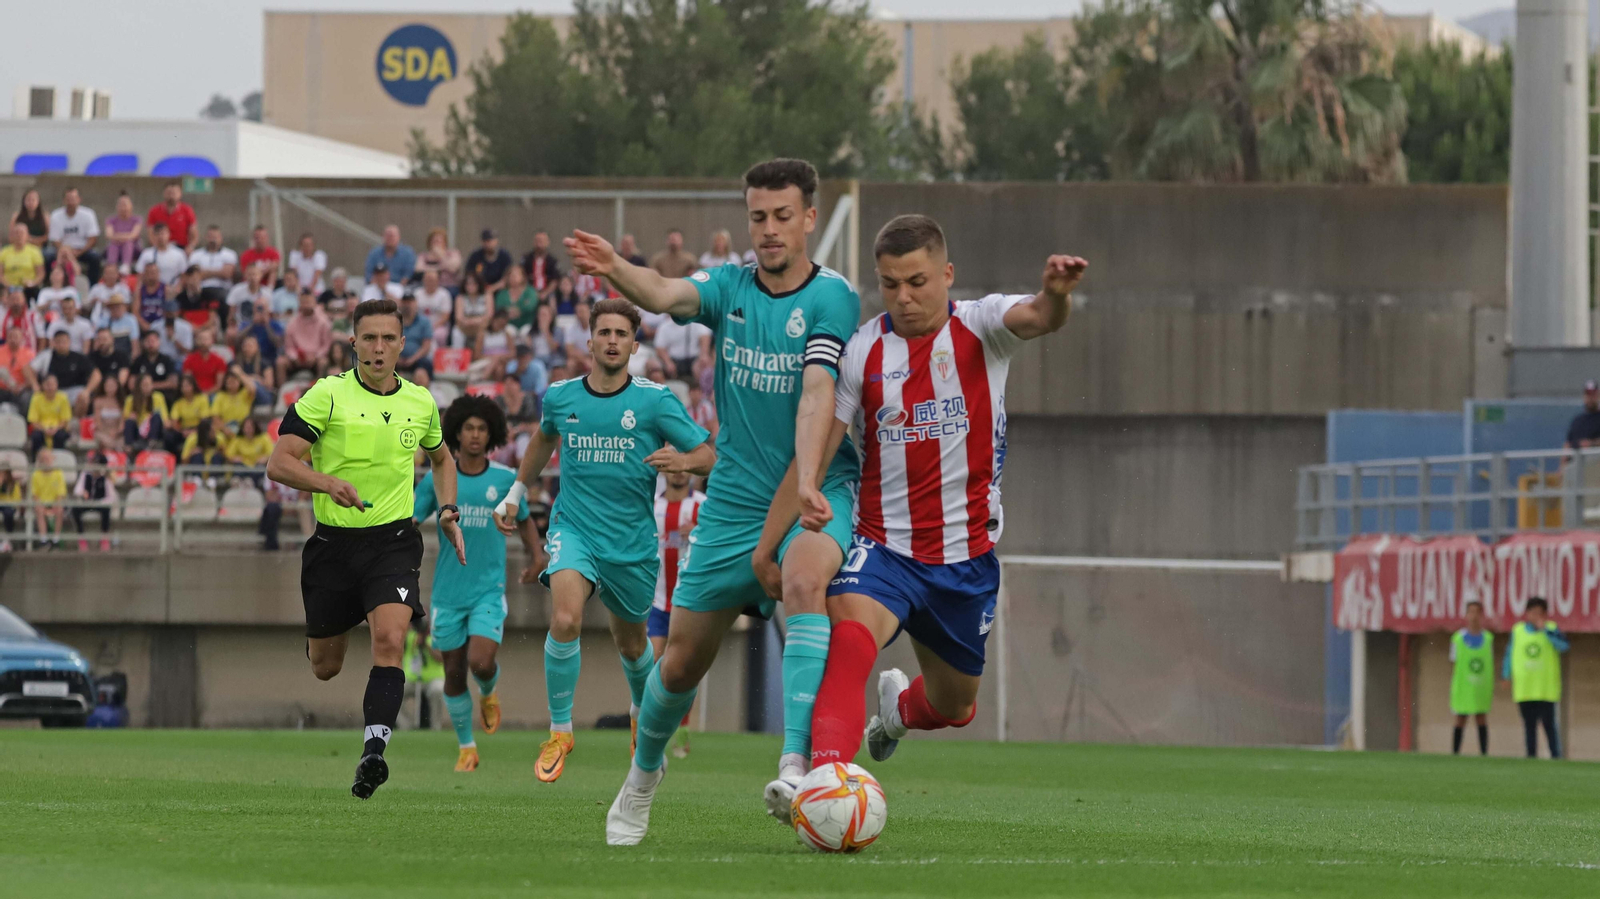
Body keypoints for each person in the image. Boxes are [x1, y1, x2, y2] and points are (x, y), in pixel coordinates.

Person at [567, 159, 861, 844]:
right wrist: (615, 267)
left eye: (783, 215)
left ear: (810, 218)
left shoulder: (832, 298)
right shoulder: (728, 285)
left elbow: (820, 391)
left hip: (815, 488)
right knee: (680, 664)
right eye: (758, 216)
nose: (769, 229)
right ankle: (642, 778)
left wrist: (810, 477)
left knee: (805, 577)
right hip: (731, 503)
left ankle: (796, 764)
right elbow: (666, 293)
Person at [777, 216, 1086, 794]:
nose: (904, 296)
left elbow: (1041, 317)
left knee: (954, 705)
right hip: (883, 546)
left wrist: (1056, 295)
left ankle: (896, 714)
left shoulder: (981, 326)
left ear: (947, 274)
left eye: (917, 281)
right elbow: (827, 422)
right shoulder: (864, 349)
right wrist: (811, 481)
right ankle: (822, 781)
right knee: (849, 635)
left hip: (963, 558)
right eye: (890, 283)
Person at [492, 297, 714, 785]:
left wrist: (683, 463)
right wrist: (515, 492)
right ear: (589, 340)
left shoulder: (655, 402)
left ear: (635, 344)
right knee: (566, 616)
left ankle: (640, 711)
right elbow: (543, 440)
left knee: (634, 648)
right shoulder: (562, 397)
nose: (612, 340)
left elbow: (709, 453)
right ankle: (560, 731)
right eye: (604, 332)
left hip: (632, 545)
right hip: (574, 530)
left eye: (622, 334)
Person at [266, 297, 465, 799]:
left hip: (393, 543)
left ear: (402, 344)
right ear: (353, 342)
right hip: (333, 546)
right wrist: (324, 482)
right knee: (326, 668)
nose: (378, 348)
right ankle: (322, 634)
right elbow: (279, 462)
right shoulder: (326, 396)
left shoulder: (420, 402)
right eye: (369, 338)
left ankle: (373, 751)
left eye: (388, 339)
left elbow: (442, 460)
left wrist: (446, 512)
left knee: (391, 642)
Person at [417, 396, 542, 771]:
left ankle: (488, 692)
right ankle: (467, 749)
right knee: (453, 673)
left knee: (481, 662)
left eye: (481, 428)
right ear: (456, 432)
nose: (474, 435)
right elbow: (408, 519)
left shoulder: (505, 479)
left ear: (492, 434)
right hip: (447, 594)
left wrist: (537, 556)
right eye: (468, 428)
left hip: (488, 589)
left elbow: (523, 519)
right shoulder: (438, 478)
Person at [649, 468, 707, 759]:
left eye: (685, 466)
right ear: (663, 469)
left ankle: (682, 727)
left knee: (684, 669)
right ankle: (650, 728)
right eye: (673, 466)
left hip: (689, 601)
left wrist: (698, 532)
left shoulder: (703, 506)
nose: (679, 472)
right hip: (657, 602)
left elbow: (718, 539)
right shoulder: (652, 506)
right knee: (654, 664)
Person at [1503, 596, 1567, 759]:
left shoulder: (1552, 629)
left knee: (1549, 725)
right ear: (1527, 614)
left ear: (1545, 614)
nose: (1536, 616)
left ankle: (1556, 756)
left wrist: (1545, 630)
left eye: (1540, 613)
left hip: (1545, 688)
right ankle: (1531, 756)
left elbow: (1564, 646)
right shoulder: (1517, 631)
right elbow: (1509, 654)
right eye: (1533, 612)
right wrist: (1506, 674)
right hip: (1525, 688)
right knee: (1529, 726)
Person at [1450, 600, 1494, 756]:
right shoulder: (1458, 638)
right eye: (1471, 612)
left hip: (1481, 685)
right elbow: (1453, 663)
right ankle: (1455, 754)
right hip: (1463, 686)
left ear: (1482, 615)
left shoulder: (1488, 639)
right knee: (1460, 718)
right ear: (1466, 615)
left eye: (1477, 612)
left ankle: (1484, 754)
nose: (1474, 616)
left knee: (1481, 718)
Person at [35, 329, 99, 415]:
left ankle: (76, 423)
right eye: (58, 342)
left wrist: (87, 390)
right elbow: (28, 369)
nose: (61, 344)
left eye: (64, 341)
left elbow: (96, 374)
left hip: (74, 390)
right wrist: (35, 385)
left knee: (84, 397)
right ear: (53, 342)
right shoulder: (47, 355)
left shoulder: (78, 357)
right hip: (53, 391)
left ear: (69, 342)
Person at [399, 618, 447, 730]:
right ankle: (406, 726)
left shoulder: (436, 638)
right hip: (412, 678)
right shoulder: (410, 637)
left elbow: (441, 658)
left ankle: (435, 727)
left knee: (437, 690)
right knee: (394, 692)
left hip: (433, 678)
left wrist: (425, 644)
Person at [49, 187, 102, 285]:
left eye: (73, 199)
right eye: (68, 199)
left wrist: (78, 252)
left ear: (79, 199)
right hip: (62, 250)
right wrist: (66, 252)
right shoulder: (56, 215)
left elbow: (93, 238)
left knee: (95, 257)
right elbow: (55, 240)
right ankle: (50, 286)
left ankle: (92, 286)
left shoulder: (88, 214)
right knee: (47, 256)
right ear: (64, 200)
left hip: (82, 250)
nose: (71, 202)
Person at [280, 290, 333, 383]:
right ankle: (282, 391)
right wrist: (295, 357)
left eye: (308, 302)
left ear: (314, 302)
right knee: (280, 362)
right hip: (297, 358)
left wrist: (316, 356)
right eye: (303, 302)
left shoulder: (323, 322)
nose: (306, 305)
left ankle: (319, 391)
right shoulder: (292, 323)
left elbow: (326, 345)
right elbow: (289, 346)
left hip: (316, 358)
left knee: (323, 363)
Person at [71, 447, 113, 552]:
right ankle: (81, 537)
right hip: (87, 503)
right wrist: (83, 493)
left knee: (106, 510)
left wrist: (100, 502)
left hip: (100, 504)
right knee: (75, 509)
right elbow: (77, 490)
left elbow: (111, 497)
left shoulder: (105, 479)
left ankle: (104, 537)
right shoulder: (85, 475)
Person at [189, 225, 238, 311]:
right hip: (201, 289)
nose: (213, 240)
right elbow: (194, 276)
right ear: (206, 238)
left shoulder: (229, 254)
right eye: (210, 237)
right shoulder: (196, 255)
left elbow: (226, 274)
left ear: (221, 238)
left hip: (222, 289)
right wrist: (218, 272)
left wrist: (203, 273)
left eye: (215, 237)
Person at [28, 373, 74, 459]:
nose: (50, 387)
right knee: (36, 437)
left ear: (57, 385)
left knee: (60, 436)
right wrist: (44, 429)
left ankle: (59, 460)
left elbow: (65, 420)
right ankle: (37, 462)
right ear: (42, 385)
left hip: (58, 428)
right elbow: (33, 420)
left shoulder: (63, 398)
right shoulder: (36, 398)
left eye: (53, 384)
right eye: (48, 384)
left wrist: (55, 428)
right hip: (41, 428)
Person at [30, 449, 67, 549]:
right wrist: (43, 508)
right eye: (43, 459)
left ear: (52, 459)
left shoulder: (58, 473)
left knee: (60, 509)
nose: (46, 461)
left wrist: (54, 507)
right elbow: (35, 495)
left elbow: (61, 494)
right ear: (40, 461)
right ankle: (44, 540)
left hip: (55, 503)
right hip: (42, 503)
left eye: (48, 458)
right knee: (39, 509)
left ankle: (56, 539)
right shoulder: (36, 474)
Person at [128, 330, 180, 401]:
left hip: (164, 397)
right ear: (143, 343)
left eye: (153, 341)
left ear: (159, 342)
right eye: (148, 341)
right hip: (142, 397)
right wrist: (145, 388)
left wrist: (151, 386)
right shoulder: (138, 361)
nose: (151, 344)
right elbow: (131, 383)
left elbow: (173, 383)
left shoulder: (166, 360)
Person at [146, 181, 197, 251]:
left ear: (180, 194)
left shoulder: (187, 210)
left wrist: (190, 247)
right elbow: (150, 233)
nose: (171, 196)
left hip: (182, 248)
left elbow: (194, 234)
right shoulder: (154, 211)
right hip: (160, 247)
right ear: (164, 194)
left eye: (174, 193)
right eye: (169, 193)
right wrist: (156, 247)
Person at [124, 373, 168, 454]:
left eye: (149, 384)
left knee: (156, 416)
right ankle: (129, 450)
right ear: (139, 386)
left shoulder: (158, 397)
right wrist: (131, 418)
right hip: (138, 431)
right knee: (129, 422)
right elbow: (125, 421)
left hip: (153, 431)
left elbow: (165, 420)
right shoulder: (130, 400)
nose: (147, 387)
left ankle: (152, 444)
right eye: (144, 385)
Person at [136, 222, 189, 287]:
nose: (160, 237)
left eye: (163, 234)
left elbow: (184, 275)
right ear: (153, 236)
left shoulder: (179, 253)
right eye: (157, 234)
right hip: (153, 292)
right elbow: (140, 276)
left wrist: (177, 289)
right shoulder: (146, 254)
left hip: (173, 289)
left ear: (169, 234)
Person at [1, 222, 45, 299]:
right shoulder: (4, 252)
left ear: (27, 235)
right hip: (8, 287)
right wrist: (7, 285)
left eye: (22, 233)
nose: (19, 236)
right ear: (12, 236)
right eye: (16, 233)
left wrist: (32, 283)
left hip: (28, 288)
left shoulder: (34, 251)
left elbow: (40, 274)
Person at [396, 293, 435, 379]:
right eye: (404, 302)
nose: (407, 305)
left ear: (415, 304)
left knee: (421, 375)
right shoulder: (394, 322)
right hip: (397, 359)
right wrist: (397, 358)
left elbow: (426, 346)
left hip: (418, 360)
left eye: (410, 302)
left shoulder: (424, 322)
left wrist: (412, 359)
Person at [92, 289, 141, 356]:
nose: (116, 309)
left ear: (124, 307)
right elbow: (97, 343)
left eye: (118, 306)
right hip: (108, 356)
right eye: (113, 307)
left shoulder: (131, 320)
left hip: (126, 356)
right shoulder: (103, 321)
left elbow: (135, 343)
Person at [103, 192, 142, 275]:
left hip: (133, 250)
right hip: (115, 247)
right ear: (117, 207)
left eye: (125, 205)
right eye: (121, 205)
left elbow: (134, 235)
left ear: (131, 206)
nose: (123, 208)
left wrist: (117, 236)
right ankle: (111, 266)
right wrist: (124, 237)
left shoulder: (137, 219)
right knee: (113, 244)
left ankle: (126, 266)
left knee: (128, 242)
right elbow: (109, 235)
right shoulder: (111, 220)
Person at [466, 229, 514, 295]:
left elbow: (508, 276)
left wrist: (492, 288)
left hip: (500, 290)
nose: (487, 244)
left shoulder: (504, 256)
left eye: (489, 241)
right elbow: (469, 274)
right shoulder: (475, 256)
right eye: (485, 241)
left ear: (496, 241)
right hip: (479, 290)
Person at [0, 325, 37, 408]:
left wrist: (21, 387)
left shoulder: (29, 354)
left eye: (16, 337)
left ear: (22, 338)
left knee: (27, 398)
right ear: (6, 338)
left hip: (21, 389)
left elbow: (34, 377)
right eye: (10, 336)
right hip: (2, 388)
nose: (13, 339)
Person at [227, 263, 273, 327]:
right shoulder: (236, 290)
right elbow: (231, 313)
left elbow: (269, 315)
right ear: (245, 275)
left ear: (260, 275)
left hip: (260, 325)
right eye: (249, 274)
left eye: (255, 274)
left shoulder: (267, 293)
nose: (252, 277)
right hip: (240, 325)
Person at [495, 264, 539, 332]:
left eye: (516, 274)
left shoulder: (530, 291)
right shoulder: (502, 293)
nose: (513, 277)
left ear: (523, 276)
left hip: (528, 324)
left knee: (526, 331)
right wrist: (508, 311)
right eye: (511, 275)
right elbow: (499, 307)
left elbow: (530, 306)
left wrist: (519, 310)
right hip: (507, 325)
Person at [167, 374, 211, 442]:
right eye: (183, 386)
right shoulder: (178, 403)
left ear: (193, 386)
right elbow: (174, 422)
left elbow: (204, 420)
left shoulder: (202, 399)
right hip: (184, 430)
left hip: (199, 429)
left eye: (187, 386)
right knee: (169, 436)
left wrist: (194, 431)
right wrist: (182, 431)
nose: (185, 389)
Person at [183, 329, 228, 394]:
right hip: (194, 394)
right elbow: (187, 381)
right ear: (196, 341)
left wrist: (206, 394)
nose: (203, 342)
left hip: (213, 394)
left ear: (212, 341)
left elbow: (219, 385)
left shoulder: (219, 360)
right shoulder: (189, 360)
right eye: (200, 339)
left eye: (206, 339)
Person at [11, 189, 50, 264]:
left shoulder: (45, 217)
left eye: (33, 200)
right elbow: (11, 238)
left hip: (40, 248)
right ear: (24, 201)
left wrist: (31, 240)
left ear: (38, 201)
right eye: (28, 200)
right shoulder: (16, 217)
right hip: (21, 247)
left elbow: (47, 237)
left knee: (49, 254)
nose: (31, 203)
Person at [521, 231, 561, 299]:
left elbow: (555, 280)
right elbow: (522, 276)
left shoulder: (553, 261)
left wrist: (545, 293)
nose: (539, 244)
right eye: (537, 241)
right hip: (529, 292)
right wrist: (532, 292)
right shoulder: (526, 259)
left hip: (548, 293)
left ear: (548, 242)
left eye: (541, 241)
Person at [317, 268, 358, 334]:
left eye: (342, 281)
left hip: (346, 322)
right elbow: (319, 309)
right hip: (328, 321)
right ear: (333, 282)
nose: (340, 284)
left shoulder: (350, 295)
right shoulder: (326, 295)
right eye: (337, 281)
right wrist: (330, 316)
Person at [1565, 381, 1600, 450]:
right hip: (1576, 458)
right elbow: (1568, 444)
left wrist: (1591, 444)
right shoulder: (1577, 421)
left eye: (1593, 395)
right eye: (1588, 395)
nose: (1590, 398)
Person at [135, 262, 167, 327]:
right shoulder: (140, 291)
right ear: (144, 274)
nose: (151, 275)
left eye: (153, 272)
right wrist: (143, 324)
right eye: (148, 273)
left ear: (158, 273)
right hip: (144, 325)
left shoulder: (165, 289)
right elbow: (135, 312)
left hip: (161, 324)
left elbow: (168, 310)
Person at [0, 467, 21, 553]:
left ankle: (7, 540)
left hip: (9, 506)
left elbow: (17, 500)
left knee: (8, 513)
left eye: (3, 474)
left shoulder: (14, 484)